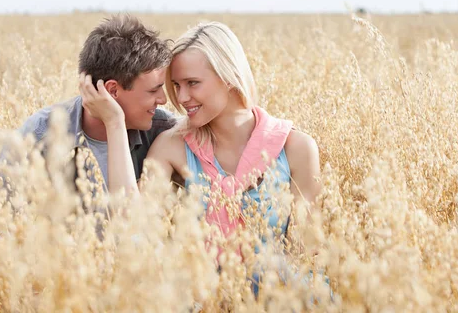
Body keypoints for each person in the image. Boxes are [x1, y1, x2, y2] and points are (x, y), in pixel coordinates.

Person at [80, 21, 321, 242]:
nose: (181, 98)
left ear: (228, 77)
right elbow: (131, 232)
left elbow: (308, 252)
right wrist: (114, 123)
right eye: (176, 85)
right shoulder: (171, 147)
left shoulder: (296, 148)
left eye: (192, 83)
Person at [0, 14, 175, 213]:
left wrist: (115, 122)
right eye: (154, 90)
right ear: (112, 91)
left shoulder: (163, 130)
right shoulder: (38, 135)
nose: (163, 99)